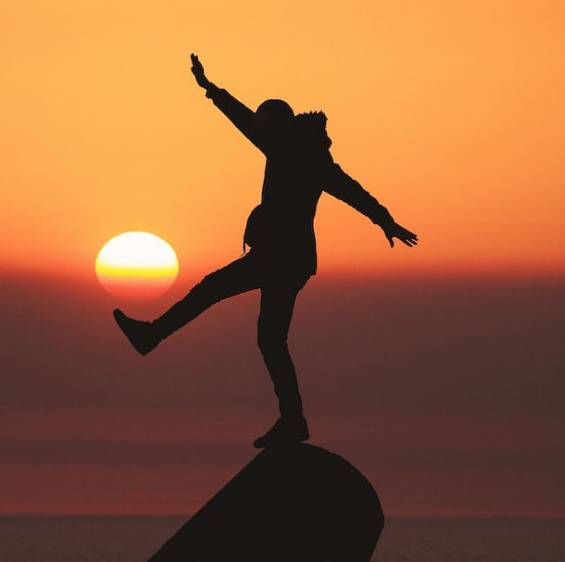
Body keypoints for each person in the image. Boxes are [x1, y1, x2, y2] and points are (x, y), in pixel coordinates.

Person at [114, 54, 417, 448]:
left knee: (214, 291)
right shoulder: (293, 147)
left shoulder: (302, 155)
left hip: (280, 258)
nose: (262, 137)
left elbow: (351, 190)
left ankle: (152, 336)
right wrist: (211, 90)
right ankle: (293, 420)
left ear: (278, 129)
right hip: (288, 261)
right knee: (270, 339)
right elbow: (246, 122)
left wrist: (385, 220)